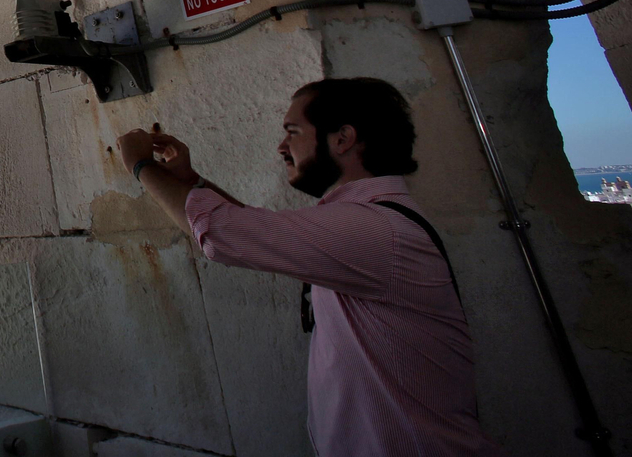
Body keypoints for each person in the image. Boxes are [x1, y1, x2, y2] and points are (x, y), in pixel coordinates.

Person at [116, 77, 505, 457]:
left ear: (342, 138)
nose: (282, 147)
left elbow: (221, 232)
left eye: (293, 131)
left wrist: (139, 165)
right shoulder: (367, 221)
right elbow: (252, 226)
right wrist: (191, 181)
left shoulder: (370, 229)